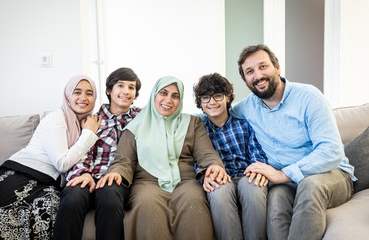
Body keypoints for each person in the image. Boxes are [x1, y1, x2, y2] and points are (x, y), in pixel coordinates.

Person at [231, 44, 356, 240]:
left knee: (310, 185)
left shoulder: (309, 97)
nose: (258, 75)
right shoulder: (248, 106)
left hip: (330, 174)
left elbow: (331, 151)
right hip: (286, 183)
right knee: (276, 199)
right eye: (250, 71)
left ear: (277, 68)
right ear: (246, 81)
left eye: (263, 66)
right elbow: (216, 114)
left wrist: (283, 174)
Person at [96, 76, 230, 240]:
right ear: (154, 95)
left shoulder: (192, 123)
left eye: (175, 96)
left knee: (194, 200)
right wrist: (117, 172)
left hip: (185, 181)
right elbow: (124, 160)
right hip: (147, 183)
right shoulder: (135, 126)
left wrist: (214, 166)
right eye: (164, 93)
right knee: (146, 203)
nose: (169, 100)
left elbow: (206, 153)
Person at [0, 75, 101, 240]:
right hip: (21, 175)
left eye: (89, 93)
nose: (83, 98)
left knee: (48, 206)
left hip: (47, 184)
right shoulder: (57, 118)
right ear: (68, 96)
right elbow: (63, 163)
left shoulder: (86, 123)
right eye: (77, 92)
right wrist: (88, 134)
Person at [53, 67, 142, 240]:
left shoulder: (142, 118)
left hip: (117, 179)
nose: (126, 91)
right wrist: (84, 173)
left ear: (136, 95)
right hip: (90, 175)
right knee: (73, 197)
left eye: (131, 88)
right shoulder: (92, 120)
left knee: (108, 195)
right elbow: (83, 151)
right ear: (109, 90)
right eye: (120, 86)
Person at [193, 72, 268, 240]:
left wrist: (258, 169)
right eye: (205, 98)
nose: (212, 102)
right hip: (220, 177)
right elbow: (196, 156)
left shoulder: (243, 123)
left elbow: (256, 151)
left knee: (253, 188)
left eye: (218, 96)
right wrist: (203, 174)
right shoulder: (198, 128)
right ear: (200, 102)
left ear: (227, 97)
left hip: (246, 173)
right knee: (219, 191)